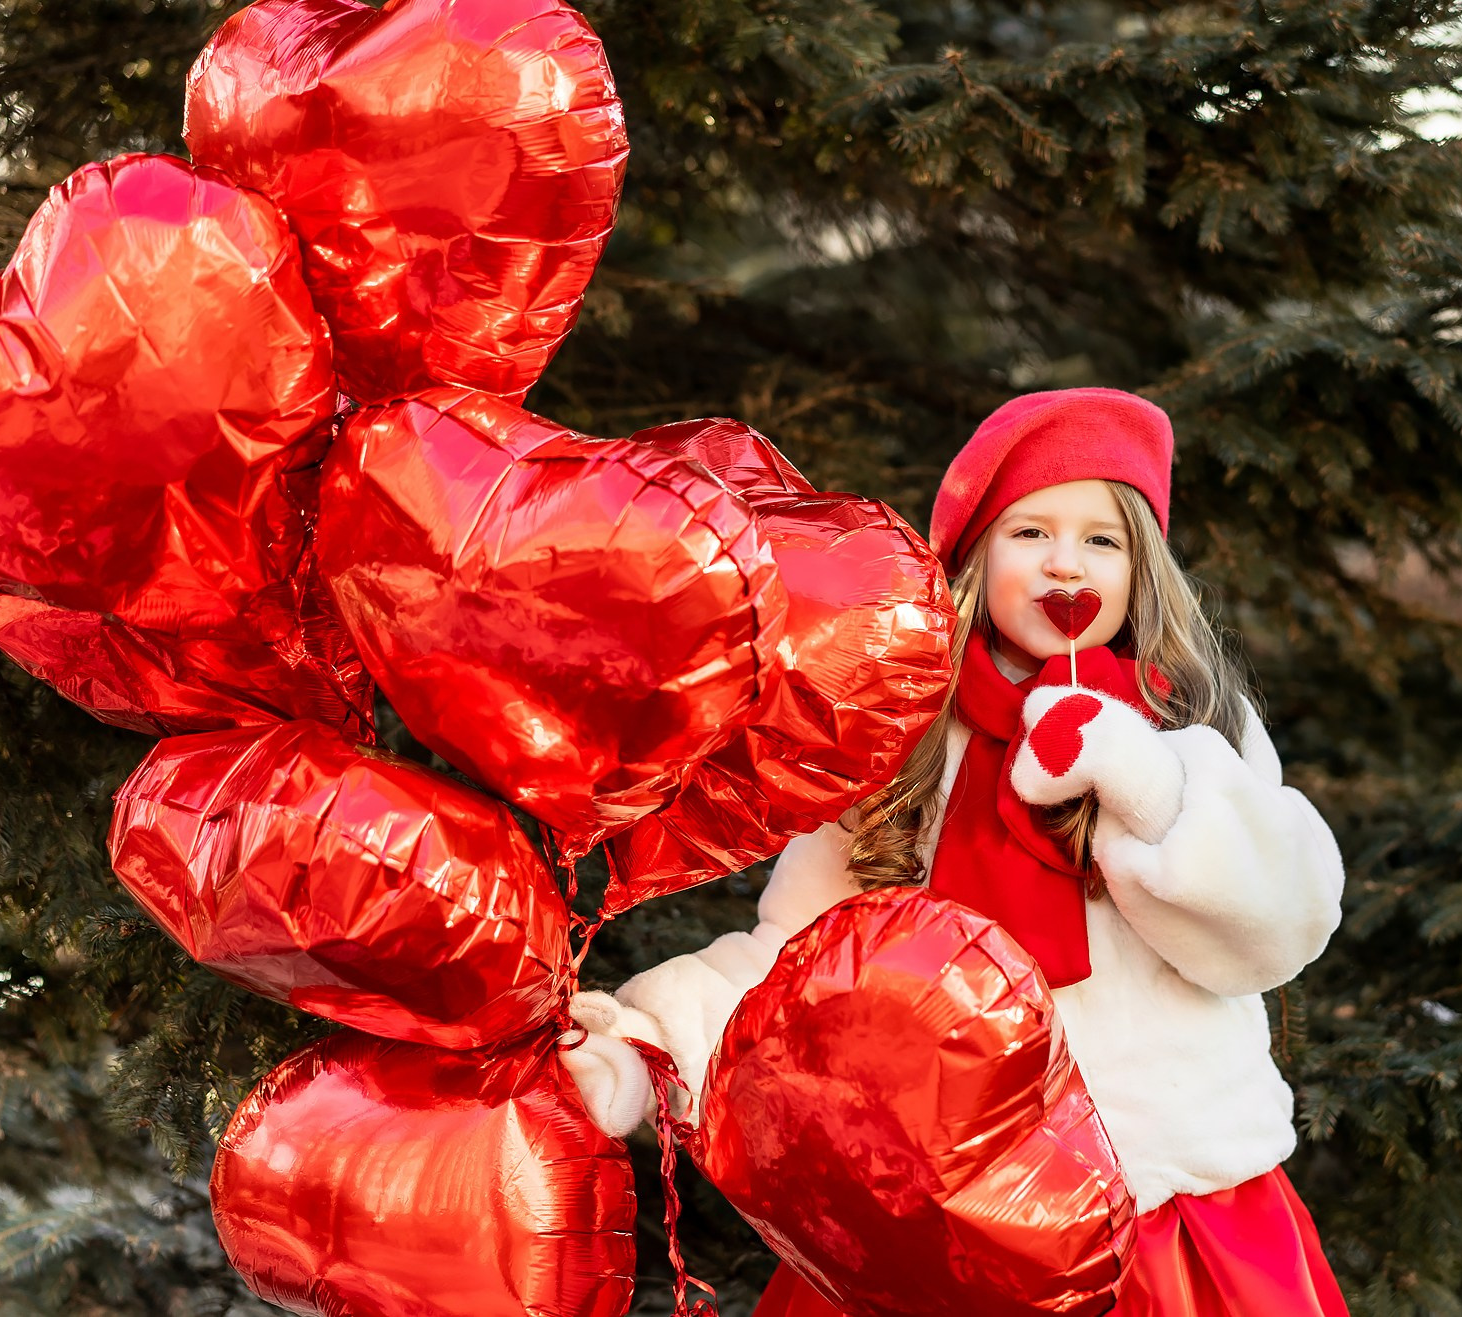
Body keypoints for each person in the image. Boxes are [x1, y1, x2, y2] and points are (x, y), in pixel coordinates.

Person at [561, 388, 1350, 1316]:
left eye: (1103, 539)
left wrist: (1143, 779)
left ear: (1144, 566)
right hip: (940, 1214)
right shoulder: (901, 735)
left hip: (1168, 1207)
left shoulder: (1193, 724)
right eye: (1031, 533)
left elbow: (1280, 928)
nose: (1067, 563)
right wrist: (646, 1051)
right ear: (976, 554)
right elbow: (801, 960)